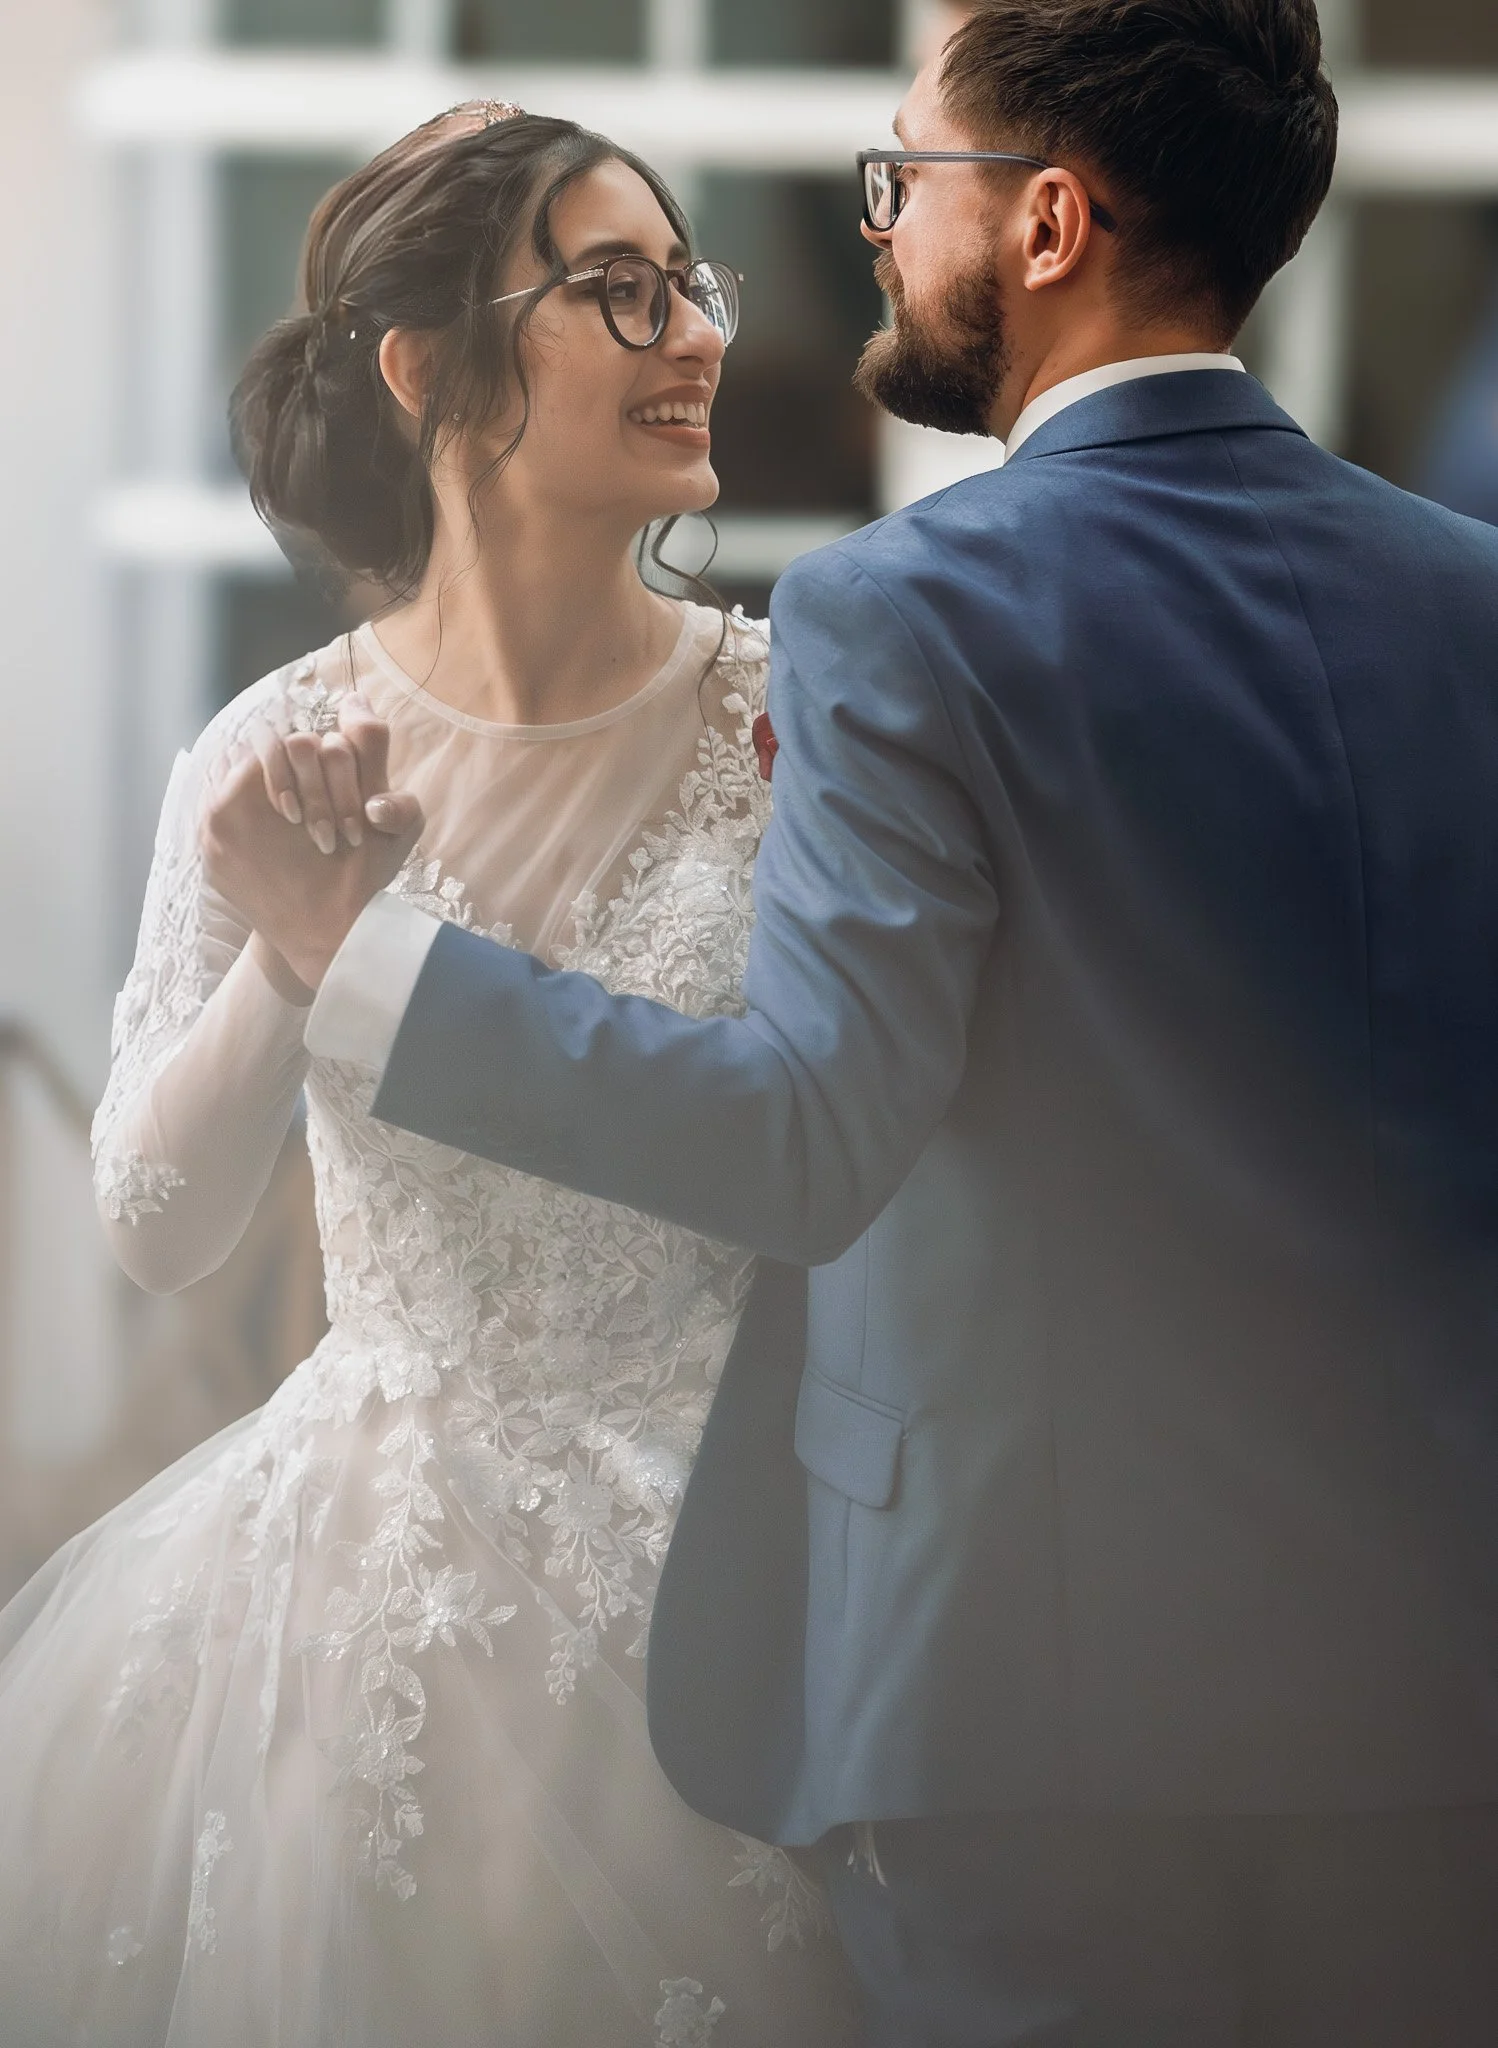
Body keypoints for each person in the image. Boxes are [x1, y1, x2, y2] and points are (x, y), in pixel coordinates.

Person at [209, 3, 1498, 2043]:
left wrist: (366, 963)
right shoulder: (1468, 598)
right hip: (1434, 1695)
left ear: (1049, 219)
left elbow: (809, 1136)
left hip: (1028, 1719)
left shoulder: (905, 610)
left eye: (908, 179)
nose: (876, 230)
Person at [0, 101, 858, 2047]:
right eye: (616, 292)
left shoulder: (798, 719)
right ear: (427, 371)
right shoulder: (272, 748)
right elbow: (155, 1226)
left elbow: (846, 1141)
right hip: (341, 1615)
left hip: (733, 1592)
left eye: (691, 284)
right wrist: (295, 968)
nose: (696, 335)